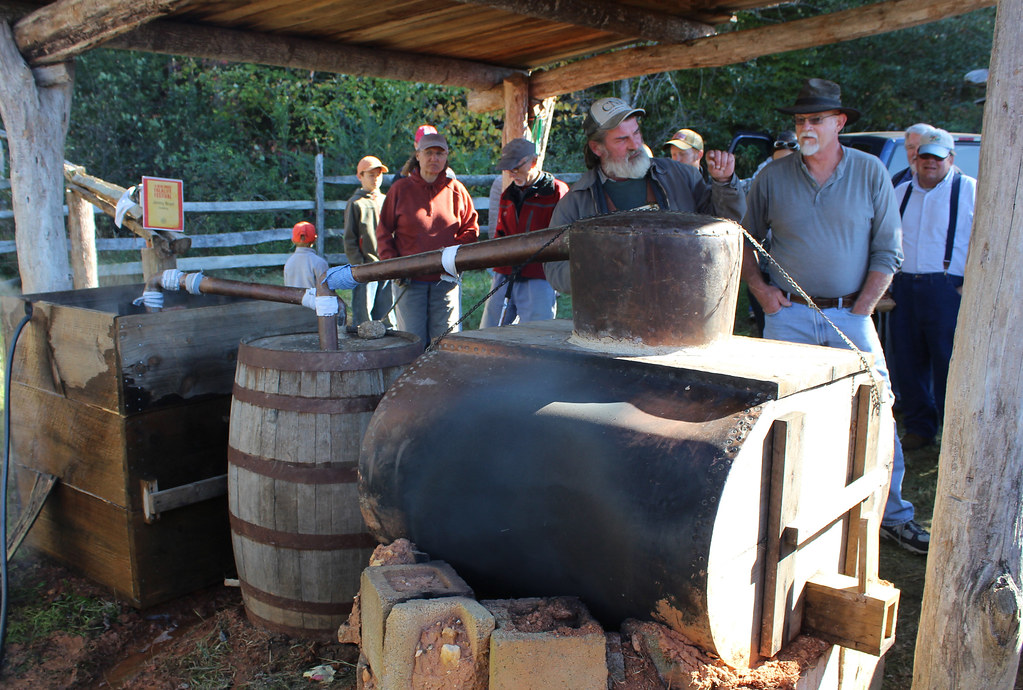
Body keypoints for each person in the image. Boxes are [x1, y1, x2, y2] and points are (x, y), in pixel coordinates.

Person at [741, 77, 929, 555]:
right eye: (800, 120)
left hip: (851, 314)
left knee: (877, 408)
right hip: (788, 316)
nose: (806, 127)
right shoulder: (771, 176)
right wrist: (762, 293)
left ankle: (892, 515)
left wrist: (862, 308)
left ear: (839, 123)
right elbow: (745, 240)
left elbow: (889, 251)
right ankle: (778, 516)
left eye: (816, 119)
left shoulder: (870, 173)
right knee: (777, 414)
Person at [546, 97, 745, 294]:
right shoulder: (576, 202)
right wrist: (600, 267)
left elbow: (727, 223)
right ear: (597, 148)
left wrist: (724, 183)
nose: (635, 144)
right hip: (614, 318)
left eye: (636, 133)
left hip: (684, 309)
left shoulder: (682, 176)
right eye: (622, 139)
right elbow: (554, 270)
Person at [890, 128, 976, 451]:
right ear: (916, 158)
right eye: (924, 156)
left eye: (937, 158)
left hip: (946, 290)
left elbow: (987, 241)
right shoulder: (901, 191)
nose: (930, 164)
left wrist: (968, 285)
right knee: (908, 363)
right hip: (905, 288)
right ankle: (919, 428)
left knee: (947, 363)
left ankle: (953, 435)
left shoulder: (969, 190)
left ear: (950, 159)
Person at [376, 132, 479, 349]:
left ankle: (445, 382)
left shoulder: (457, 190)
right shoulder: (400, 189)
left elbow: (471, 228)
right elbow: (384, 231)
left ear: (447, 157)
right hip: (410, 281)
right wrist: (394, 266)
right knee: (412, 341)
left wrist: (452, 254)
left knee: (446, 341)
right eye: (429, 153)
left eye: (440, 153)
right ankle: (413, 382)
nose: (434, 158)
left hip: (446, 280)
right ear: (418, 156)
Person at [479, 138, 569, 328]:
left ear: (533, 162)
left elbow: (564, 238)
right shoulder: (508, 195)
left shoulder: (557, 192)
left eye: (516, 168)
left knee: (536, 336)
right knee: (489, 331)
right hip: (505, 273)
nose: (512, 174)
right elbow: (501, 234)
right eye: (508, 169)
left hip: (539, 276)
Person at [344, 155, 394, 326]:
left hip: (387, 265)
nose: (375, 178)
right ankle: (363, 345)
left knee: (387, 311)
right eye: (371, 175)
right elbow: (349, 239)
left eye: (378, 174)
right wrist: (359, 266)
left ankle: (389, 342)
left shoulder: (386, 200)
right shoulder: (355, 203)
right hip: (366, 267)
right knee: (364, 314)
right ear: (360, 176)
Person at [283, 221, 328, 288]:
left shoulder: (289, 263)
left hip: (293, 298)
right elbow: (326, 291)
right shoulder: (320, 263)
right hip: (313, 298)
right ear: (315, 239)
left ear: (293, 240)